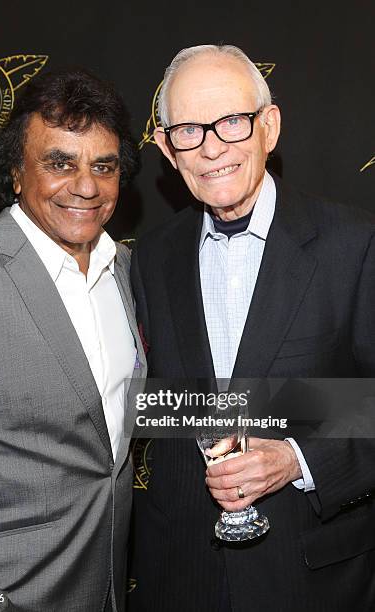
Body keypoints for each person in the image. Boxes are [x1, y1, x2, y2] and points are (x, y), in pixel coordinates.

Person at [128, 45, 375, 612]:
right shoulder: (152, 255)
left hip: (310, 579)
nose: (212, 147)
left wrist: (296, 458)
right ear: (166, 147)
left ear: (269, 127)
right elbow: (158, 402)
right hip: (180, 574)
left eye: (232, 122)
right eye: (189, 129)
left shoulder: (354, 245)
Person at [0, 68, 146, 612]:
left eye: (103, 166)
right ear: (14, 171)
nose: (86, 186)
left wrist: (314, 424)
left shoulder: (127, 272)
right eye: (60, 163)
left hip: (107, 586)